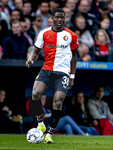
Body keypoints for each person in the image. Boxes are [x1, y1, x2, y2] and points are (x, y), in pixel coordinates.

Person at [26, 8, 79, 144]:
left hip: (63, 73)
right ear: (53, 18)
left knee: (58, 101)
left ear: (64, 18)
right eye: (57, 17)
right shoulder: (44, 33)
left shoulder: (71, 35)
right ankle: (40, 123)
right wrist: (31, 59)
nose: (60, 20)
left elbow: (74, 56)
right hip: (47, 70)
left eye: (62, 17)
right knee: (35, 93)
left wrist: (72, 76)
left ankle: (49, 134)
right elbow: (37, 50)